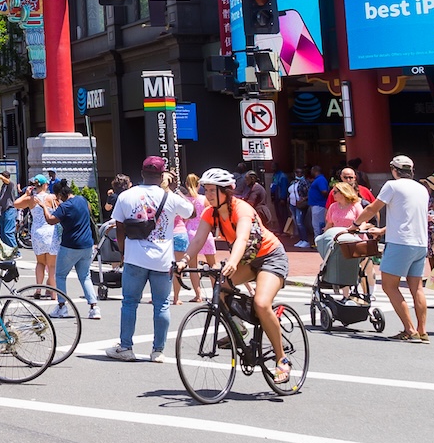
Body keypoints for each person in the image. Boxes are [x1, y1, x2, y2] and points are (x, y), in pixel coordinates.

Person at [184, 168, 294, 385]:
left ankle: (282, 359)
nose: (209, 194)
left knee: (262, 304)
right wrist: (183, 260)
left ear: (227, 191)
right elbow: (197, 240)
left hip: (271, 257)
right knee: (220, 290)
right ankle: (239, 327)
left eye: (214, 190)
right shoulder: (209, 213)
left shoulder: (242, 209)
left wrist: (232, 262)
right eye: (207, 190)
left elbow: (242, 239)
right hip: (247, 260)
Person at [105, 158, 194, 362]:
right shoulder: (169, 197)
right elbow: (192, 211)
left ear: (142, 173)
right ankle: (158, 351)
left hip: (135, 256)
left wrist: (123, 252)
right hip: (162, 259)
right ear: (162, 175)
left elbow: (120, 228)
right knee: (162, 305)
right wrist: (172, 189)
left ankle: (126, 347)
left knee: (129, 302)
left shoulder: (127, 195)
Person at [356, 154, 433, 342]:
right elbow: (408, 217)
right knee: (417, 289)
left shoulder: (392, 185)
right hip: (420, 242)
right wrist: (383, 230)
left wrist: (355, 223)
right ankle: (422, 330)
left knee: (390, 286)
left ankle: (409, 329)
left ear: (394, 170)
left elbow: (373, 208)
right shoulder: (422, 189)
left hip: (400, 243)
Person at [46, 178, 98, 320]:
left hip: (70, 245)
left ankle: (62, 307)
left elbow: (50, 220)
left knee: (61, 275)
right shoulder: (82, 200)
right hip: (87, 244)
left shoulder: (65, 206)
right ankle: (94, 307)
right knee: (85, 276)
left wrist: (44, 207)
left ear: (60, 195)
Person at [17, 175, 60, 286]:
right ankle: (53, 292)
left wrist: (26, 194)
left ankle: (38, 289)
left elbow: (16, 204)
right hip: (51, 232)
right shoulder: (52, 198)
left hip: (37, 232)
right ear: (45, 185)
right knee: (51, 265)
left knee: (40, 263)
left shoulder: (32, 199)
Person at [171, 173, 206, 305]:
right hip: (192, 232)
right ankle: (197, 295)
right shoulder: (199, 200)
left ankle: (166, 296)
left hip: (168, 235)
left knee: (164, 268)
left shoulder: (169, 200)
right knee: (193, 266)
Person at [304, 165, 330, 250]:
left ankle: (319, 243)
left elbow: (324, 191)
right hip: (316, 205)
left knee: (318, 225)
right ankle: (317, 242)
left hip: (319, 205)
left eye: (312, 170)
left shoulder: (320, 179)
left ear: (315, 170)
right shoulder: (318, 179)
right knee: (315, 225)